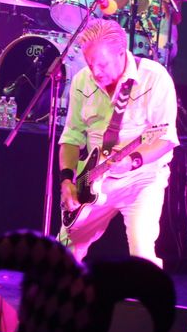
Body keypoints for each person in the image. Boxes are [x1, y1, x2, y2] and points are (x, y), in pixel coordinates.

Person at [58, 18, 179, 267]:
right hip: (92, 178)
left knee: (142, 253)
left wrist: (132, 161)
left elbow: (166, 139)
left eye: (102, 64)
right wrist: (67, 180)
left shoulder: (154, 78)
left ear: (121, 53)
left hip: (141, 178)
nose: (96, 72)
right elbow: (71, 137)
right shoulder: (82, 81)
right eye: (90, 64)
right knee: (62, 253)